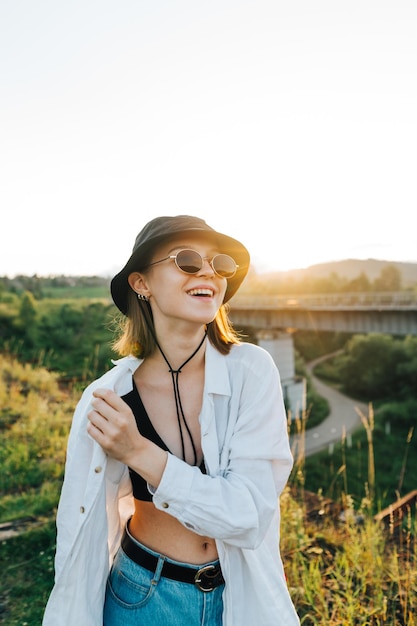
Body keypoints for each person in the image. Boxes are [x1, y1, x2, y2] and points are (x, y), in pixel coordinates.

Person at [42, 215, 300, 626]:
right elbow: (79, 529)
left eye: (221, 264)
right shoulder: (106, 398)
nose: (210, 273)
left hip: (239, 597)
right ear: (141, 283)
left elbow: (248, 516)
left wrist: (140, 452)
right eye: (188, 261)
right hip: (141, 598)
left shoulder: (252, 371)